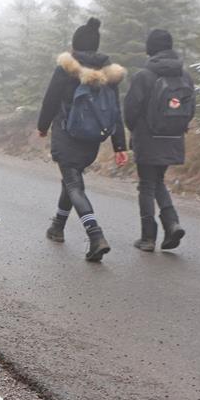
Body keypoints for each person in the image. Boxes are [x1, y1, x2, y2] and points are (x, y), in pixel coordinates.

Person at [37, 17, 128, 262]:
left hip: (67, 135)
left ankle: (95, 234)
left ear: (75, 45)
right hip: (92, 140)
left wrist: (42, 127)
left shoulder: (66, 69)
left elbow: (51, 100)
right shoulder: (108, 74)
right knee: (71, 178)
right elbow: (114, 111)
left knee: (74, 183)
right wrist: (120, 145)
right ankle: (57, 227)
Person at [123, 29, 194, 252]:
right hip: (173, 136)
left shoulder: (143, 75)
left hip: (148, 136)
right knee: (158, 180)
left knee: (146, 184)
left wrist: (135, 131)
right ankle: (172, 223)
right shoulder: (185, 76)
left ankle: (148, 237)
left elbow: (131, 110)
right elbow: (191, 109)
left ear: (151, 48)